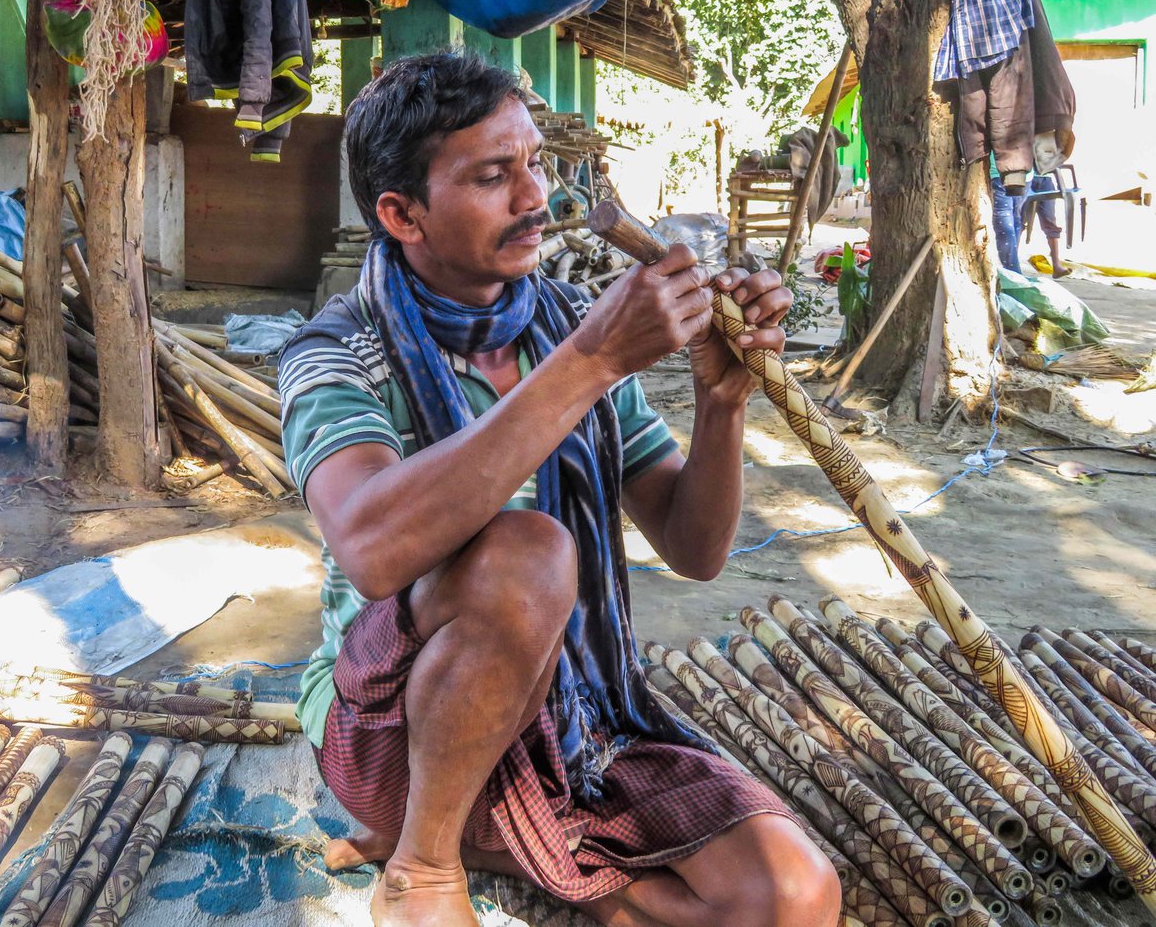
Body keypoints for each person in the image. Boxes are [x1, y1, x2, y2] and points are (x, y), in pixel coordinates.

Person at [279, 52, 841, 927]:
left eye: (536, 163)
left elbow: (695, 551)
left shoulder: (563, 332)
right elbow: (372, 546)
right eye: (494, 177)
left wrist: (720, 401)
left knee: (794, 897)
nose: (535, 197)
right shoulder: (336, 350)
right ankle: (423, 866)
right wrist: (593, 361)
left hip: (573, 718)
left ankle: (527, 850)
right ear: (401, 214)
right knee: (531, 554)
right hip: (391, 731)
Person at [991, 169, 1068, 278]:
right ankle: (1012, 268)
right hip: (1020, 175)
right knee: (1016, 221)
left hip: (1035, 177)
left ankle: (1056, 264)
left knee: (1047, 221)